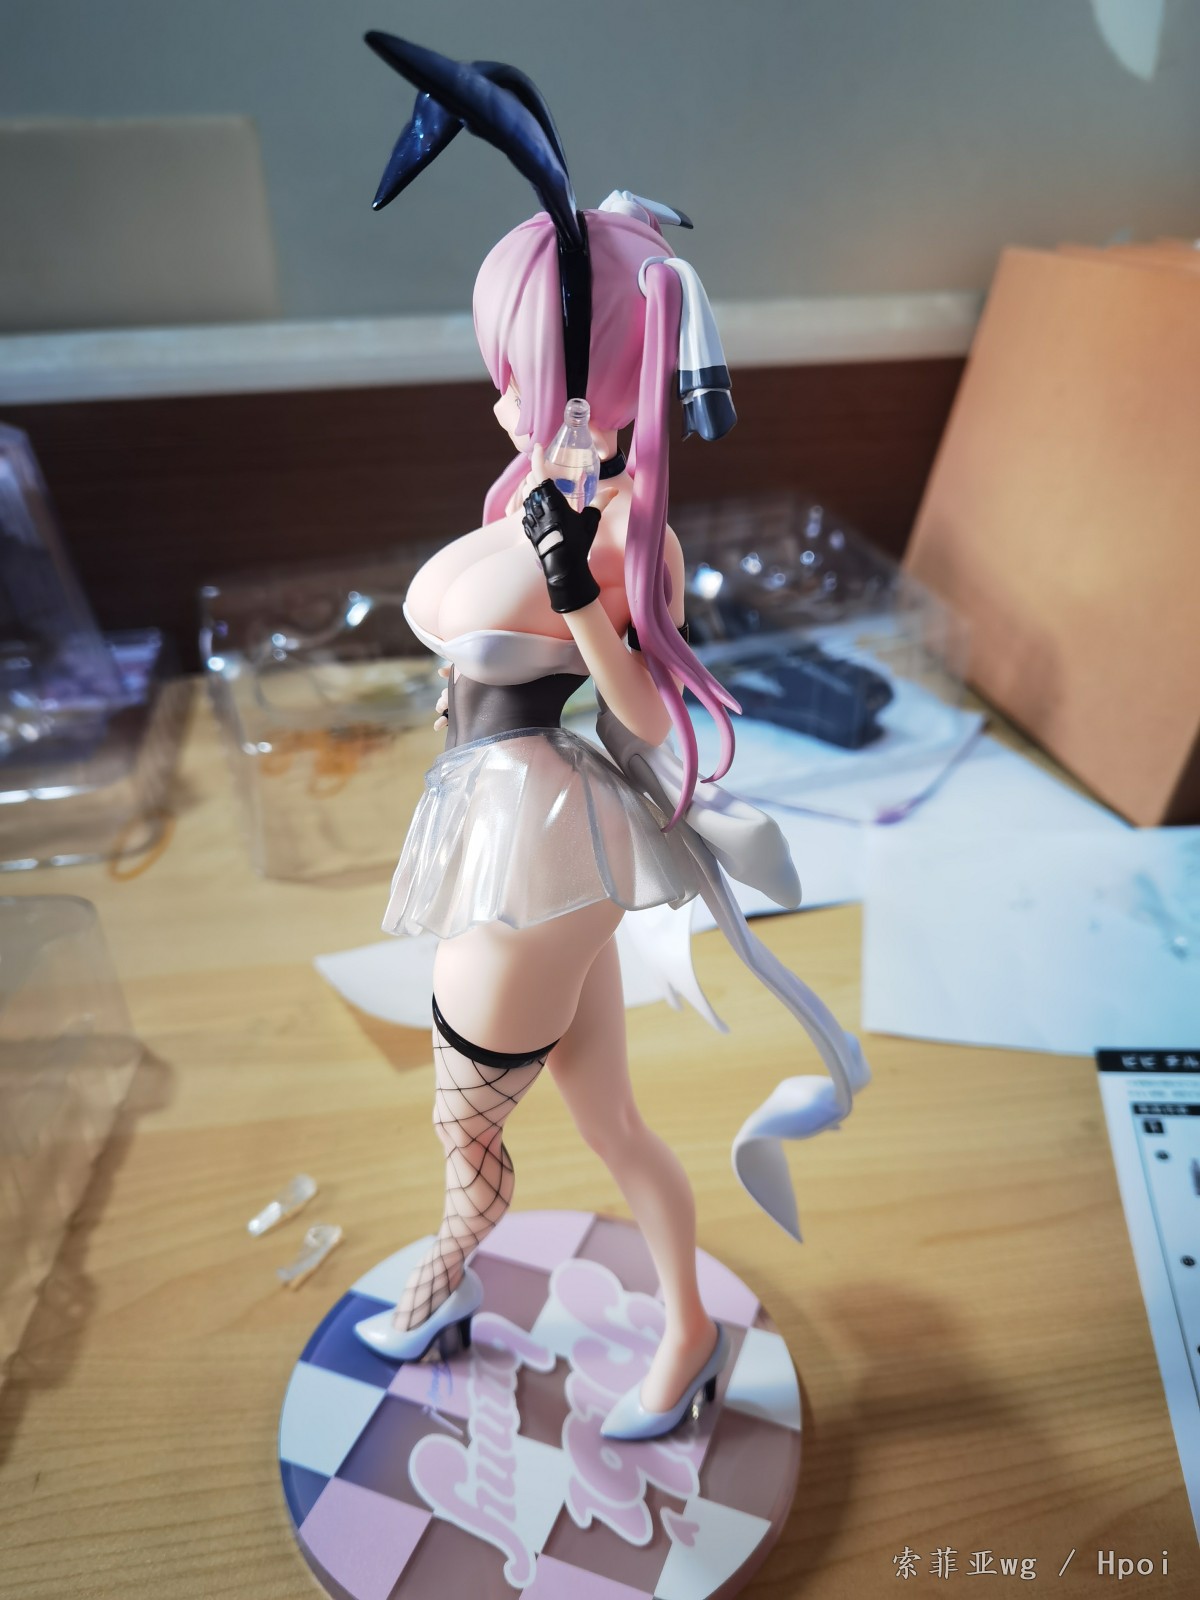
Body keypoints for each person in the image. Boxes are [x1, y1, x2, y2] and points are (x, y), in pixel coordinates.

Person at [351, 35, 868, 1442]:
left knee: (466, 1124)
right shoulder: (543, 484)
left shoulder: (624, 537)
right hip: (520, 839)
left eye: (519, 368)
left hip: (535, 845)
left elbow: (650, 716)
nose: (499, 392)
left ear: (593, 381)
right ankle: (688, 1333)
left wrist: (579, 599)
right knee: (611, 1124)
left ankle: (442, 1283)